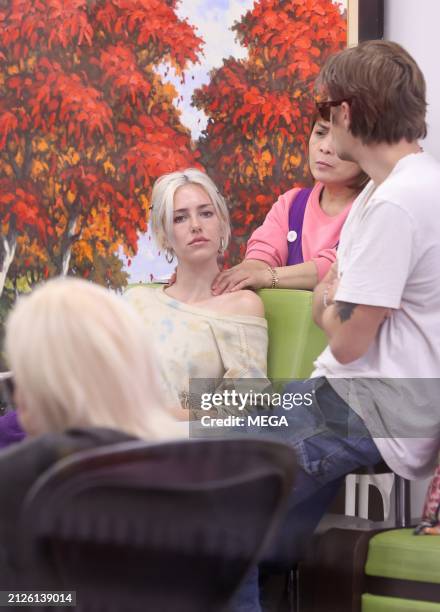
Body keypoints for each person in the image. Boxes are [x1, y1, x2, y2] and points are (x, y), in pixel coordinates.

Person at [232, 40, 440, 611]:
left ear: (347, 114)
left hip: (367, 401)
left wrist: (327, 300)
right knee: (209, 422)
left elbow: (346, 340)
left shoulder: (399, 202)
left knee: (213, 511)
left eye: (329, 111)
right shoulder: (395, 188)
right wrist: (332, 291)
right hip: (355, 396)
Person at [0, 277, 180, 584]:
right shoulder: (217, 476)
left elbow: (252, 395)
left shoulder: (15, 482)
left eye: (20, 381)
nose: (14, 397)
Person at [125, 168, 268, 419]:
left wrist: (157, 416)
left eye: (206, 213)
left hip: (185, 447)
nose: (195, 225)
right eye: (179, 218)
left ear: (222, 225)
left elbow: (247, 407)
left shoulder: (242, 305)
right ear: (163, 235)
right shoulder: (136, 300)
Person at [211, 117, 368, 294]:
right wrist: (249, 270)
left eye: (341, 139)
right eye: (320, 133)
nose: (324, 147)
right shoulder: (291, 203)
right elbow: (263, 252)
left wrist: (267, 277)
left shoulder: (376, 209)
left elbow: (338, 265)